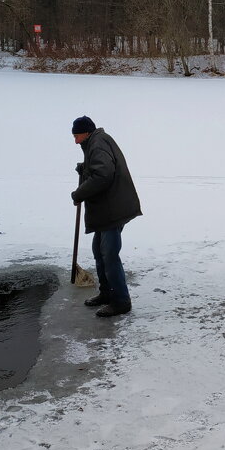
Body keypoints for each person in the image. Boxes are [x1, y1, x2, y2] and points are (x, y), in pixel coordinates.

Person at [71, 116, 142, 317]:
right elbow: (100, 168)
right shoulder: (94, 142)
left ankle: (121, 301)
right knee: (99, 251)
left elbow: (103, 175)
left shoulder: (98, 143)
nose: (75, 141)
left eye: (77, 136)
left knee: (109, 255)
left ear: (86, 132)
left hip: (113, 209)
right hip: (107, 208)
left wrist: (80, 193)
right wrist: (85, 169)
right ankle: (106, 293)